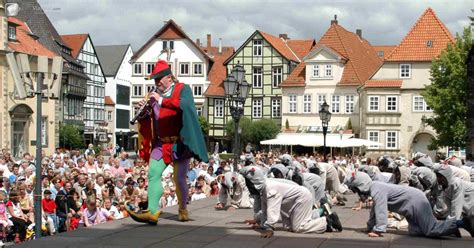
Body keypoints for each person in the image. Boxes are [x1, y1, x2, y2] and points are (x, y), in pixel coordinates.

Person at [125, 59, 208, 224]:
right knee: (153, 174)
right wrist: (142, 111)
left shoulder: (182, 89)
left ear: (169, 77)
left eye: (159, 79)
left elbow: (185, 105)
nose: (157, 83)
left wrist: (161, 101)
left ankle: (183, 208)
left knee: (178, 179)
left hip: (180, 143)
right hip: (161, 143)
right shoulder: (153, 95)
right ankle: (153, 212)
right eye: (155, 80)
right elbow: (149, 121)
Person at [345, 171, 474, 238]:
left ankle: (462, 223)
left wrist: (378, 230)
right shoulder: (375, 187)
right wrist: (369, 226)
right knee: (416, 231)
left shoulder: (376, 189)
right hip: (412, 203)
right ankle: (451, 227)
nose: (357, 193)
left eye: (356, 189)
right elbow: (374, 209)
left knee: (430, 230)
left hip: (416, 201)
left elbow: (380, 210)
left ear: (361, 185)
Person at [241, 166, 342, 238]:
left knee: (299, 227)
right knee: (288, 227)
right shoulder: (264, 188)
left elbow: (272, 209)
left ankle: (328, 221)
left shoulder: (269, 188)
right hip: (294, 201)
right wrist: (262, 224)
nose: (248, 186)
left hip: (302, 197)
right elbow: (265, 209)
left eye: (249, 183)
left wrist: (269, 228)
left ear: (255, 181)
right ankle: (323, 220)